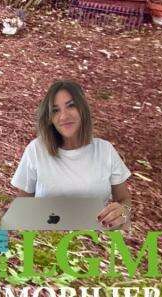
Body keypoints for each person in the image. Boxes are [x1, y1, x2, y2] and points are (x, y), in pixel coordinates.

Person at [11, 80, 132, 229]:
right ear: (50, 118)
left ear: (82, 109)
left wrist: (123, 212)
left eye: (71, 106)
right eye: (55, 110)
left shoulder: (105, 151)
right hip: (47, 238)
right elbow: (23, 207)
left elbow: (124, 199)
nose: (64, 116)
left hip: (94, 239)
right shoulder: (36, 150)